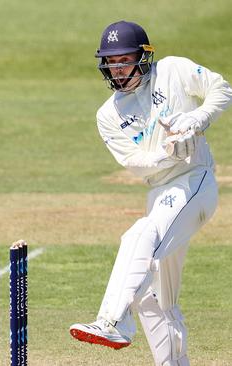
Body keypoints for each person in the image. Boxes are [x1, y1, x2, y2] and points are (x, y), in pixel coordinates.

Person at [69, 20, 232, 365]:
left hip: (195, 181)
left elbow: (222, 88)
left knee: (140, 234)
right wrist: (167, 151)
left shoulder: (173, 70)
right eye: (111, 62)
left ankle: (113, 322)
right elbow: (136, 163)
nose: (117, 69)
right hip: (160, 192)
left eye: (124, 60)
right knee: (156, 298)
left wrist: (198, 119)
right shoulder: (108, 114)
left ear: (144, 57)